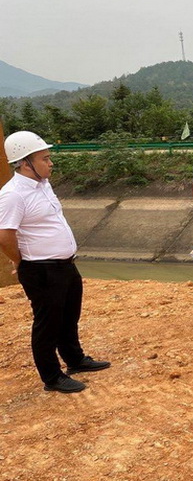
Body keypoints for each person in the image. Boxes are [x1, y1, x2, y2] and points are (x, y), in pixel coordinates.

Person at [0, 131, 110, 393]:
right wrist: (21, 261)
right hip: (41, 269)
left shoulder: (43, 184)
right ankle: (52, 377)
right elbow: (4, 235)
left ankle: (75, 359)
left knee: (69, 315)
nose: (50, 163)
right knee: (48, 323)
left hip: (65, 264)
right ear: (25, 163)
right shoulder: (13, 194)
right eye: (44, 159)